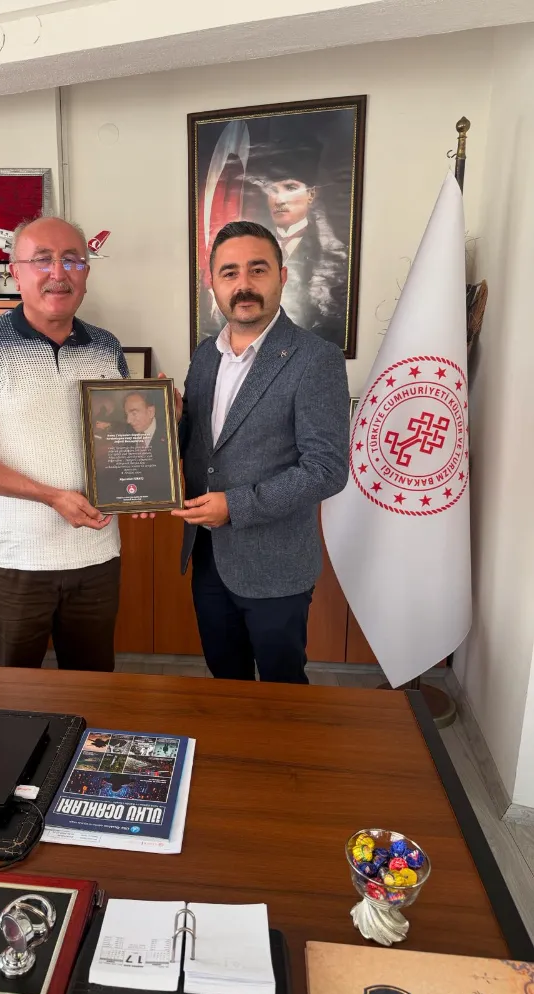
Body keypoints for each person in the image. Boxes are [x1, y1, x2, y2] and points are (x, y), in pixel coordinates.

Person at [0, 215, 129, 671]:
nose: (58, 273)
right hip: (13, 561)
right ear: (15, 272)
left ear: (86, 273)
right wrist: (50, 496)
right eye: (42, 260)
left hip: (96, 555)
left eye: (72, 261)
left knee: (92, 685)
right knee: (13, 691)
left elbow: (122, 438)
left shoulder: (107, 347)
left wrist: (144, 473)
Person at [173, 219, 349, 683]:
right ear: (212, 283)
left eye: (258, 269)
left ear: (282, 276)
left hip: (276, 565)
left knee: (281, 689)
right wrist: (167, 424)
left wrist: (236, 506)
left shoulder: (316, 359)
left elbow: (327, 469)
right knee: (225, 680)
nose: (244, 284)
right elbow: (201, 445)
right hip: (208, 557)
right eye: (229, 272)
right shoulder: (205, 355)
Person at [247, 140, 349, 348]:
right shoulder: (251, 250)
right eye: (272, 190)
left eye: (290, 188)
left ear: (311, 194)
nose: (279, 200)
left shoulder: (334, 255)